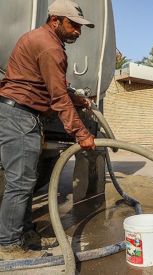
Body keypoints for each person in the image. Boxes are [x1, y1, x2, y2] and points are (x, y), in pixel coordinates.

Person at [0, 0, 96, 259]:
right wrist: (82, 134)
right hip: (19, 116)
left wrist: (81, 99)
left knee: (26, 183)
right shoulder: (50, 47)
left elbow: (56, 89)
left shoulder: (44, 40)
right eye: (73, 25)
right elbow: (58, 99)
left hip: (23, 116)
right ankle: (8, 246)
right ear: (56, 20)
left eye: (80, 26)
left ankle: (27, 235)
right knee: (20, 184)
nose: (78, 31)